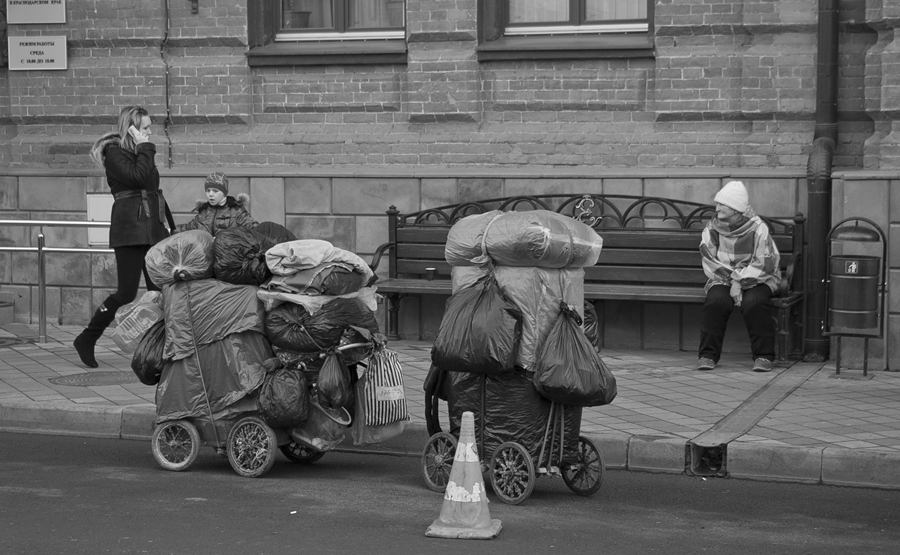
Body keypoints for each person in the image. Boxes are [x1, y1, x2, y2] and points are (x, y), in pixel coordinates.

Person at [74, 106, 174, 368]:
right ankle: (87, 337)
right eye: (144, 128)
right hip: (129, 231)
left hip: (152, 229)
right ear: (130, 128)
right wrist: (145, 149)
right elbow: (138, 177)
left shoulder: (140, 153)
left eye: (149, 127)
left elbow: (152, 188)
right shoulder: (114, 154)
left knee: (160, 292)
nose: (150, 132)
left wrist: (167, 226)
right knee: (125, 292)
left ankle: (160, 349)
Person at [697, 181, 781, 373]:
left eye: (722, 204)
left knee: (754, 302)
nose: (717, 208)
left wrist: (740, 281)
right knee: (716, 301)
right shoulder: (711, 229)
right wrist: (734, 280)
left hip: (759, 278)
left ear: (735, 209)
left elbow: (764, 263)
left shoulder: (758, 228)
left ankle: (763, 356)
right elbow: (710, 260)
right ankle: (707, 355)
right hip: (723, 278)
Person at [175, 172, 257, 236]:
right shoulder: (204, 211)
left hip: (229, 255)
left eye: (215, 191)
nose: (210, 194)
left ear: (224, 193)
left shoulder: (236, 210)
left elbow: (254, 230)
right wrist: (168, 230)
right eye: (208, 190)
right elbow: (188, 228)